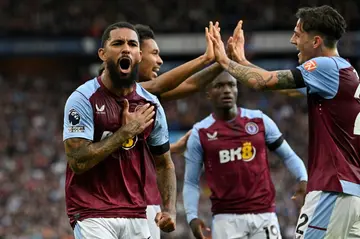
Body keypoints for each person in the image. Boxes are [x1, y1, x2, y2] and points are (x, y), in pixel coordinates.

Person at [210, 5, 360, 239]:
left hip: (332, 189)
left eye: (298, 34)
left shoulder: (325, 66)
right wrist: (241, 60)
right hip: (351, 193)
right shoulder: (344, 70)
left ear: (316, 41)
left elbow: (264, 82)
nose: (292, 40)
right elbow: (283, 86)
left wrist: (224, 61)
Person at [63, 22, 176, 239]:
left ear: (139, 55)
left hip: (136, 212)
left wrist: (170, 209)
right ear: (103, 54)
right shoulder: (82, 99)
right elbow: (77, 161)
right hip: (92, 211)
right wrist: (126, 133)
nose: (126, 48)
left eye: (132, 44)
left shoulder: (150, 104)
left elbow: (164, 163)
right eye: (118, 43)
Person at [183, 72, 308, 239]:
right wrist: (192, 218)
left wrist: (303, 178)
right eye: (219, 86)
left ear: (237, 89)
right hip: (225, 220)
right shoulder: (201, 132)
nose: (227, 90)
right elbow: (191, 181)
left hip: (264, 216)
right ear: (208, 93)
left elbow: (289, 156)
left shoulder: (259, 121)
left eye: (231, 85)